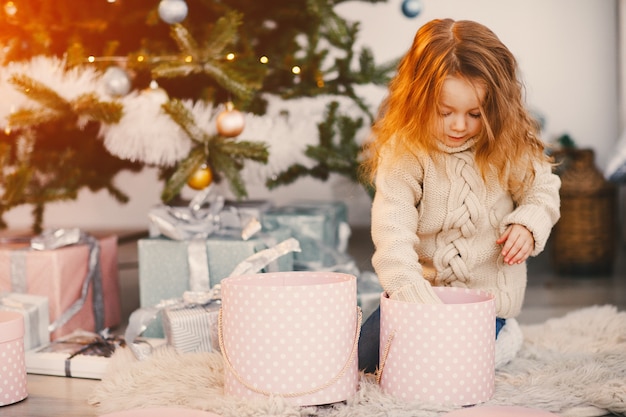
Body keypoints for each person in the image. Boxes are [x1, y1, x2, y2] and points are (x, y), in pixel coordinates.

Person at [358, 18, 561, 373]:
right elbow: (392, 238)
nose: (459, 126)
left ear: (496, 107)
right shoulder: (404, 152)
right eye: (444, 112)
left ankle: (505, 334)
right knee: (362, 360)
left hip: (486, 303)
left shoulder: (507, 143)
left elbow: (542, 189)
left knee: (451, 370)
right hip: (419, 297)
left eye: (475, 114)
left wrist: (529, 225)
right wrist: (416, 304)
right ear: (418, 100)